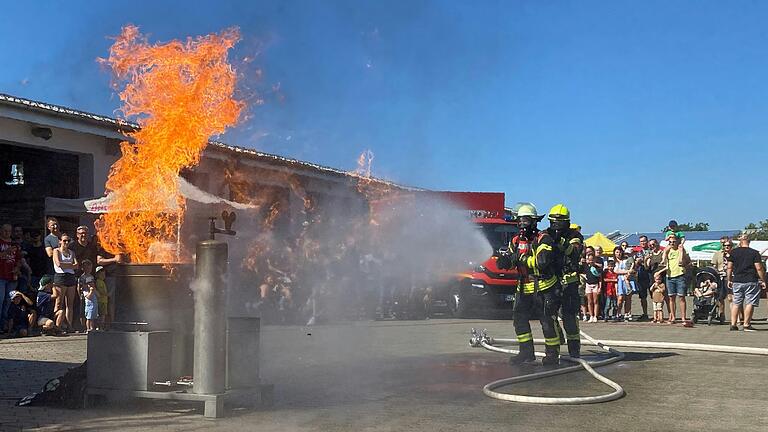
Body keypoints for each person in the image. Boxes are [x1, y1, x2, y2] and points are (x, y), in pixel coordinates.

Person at [497, 203, 562, 366]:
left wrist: (523, 259)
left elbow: (542, 262)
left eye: (525, 221)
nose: (522, 225)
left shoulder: (543, 238)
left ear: (534, 222)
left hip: (545, 288)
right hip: (523, 288)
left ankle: (552, 354)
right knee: (519, 320)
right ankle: (526, 352)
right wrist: (506, 262)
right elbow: (513, 259)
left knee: (547, 322)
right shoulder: (515, 240)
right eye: (519, 221)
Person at [545, 204, 583, 357]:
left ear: (567, 222)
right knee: (548, 316)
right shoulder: (545, 234)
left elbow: (574, 252)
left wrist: (560, 241)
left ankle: (574, 352)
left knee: (569, 317)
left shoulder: (575, 235)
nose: (556, 225)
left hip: (569, 283)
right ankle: (553, 352)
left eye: (559, 222)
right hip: (551, 282)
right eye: (553, 221)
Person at [726, 234, 767, 332]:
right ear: (749, 241)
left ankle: (733, 324)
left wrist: (729, 279)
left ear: (740, 241)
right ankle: (746, 324)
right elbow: (759, 268)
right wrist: (763, 279)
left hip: (737, 280)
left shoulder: (733, 253)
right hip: (751, 280)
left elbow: (729, 267)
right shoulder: (754, 253)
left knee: (736, 302)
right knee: (750, 302)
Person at [660, 234, 690, 324]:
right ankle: (673, 317)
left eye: (674, 242)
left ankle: (683, 317)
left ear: (677, 242)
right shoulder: (667, 250)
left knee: (681, 297)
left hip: (680, 275)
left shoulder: (681, 250)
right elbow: (663, 259)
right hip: (670, 276)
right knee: (671, 297)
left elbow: (688, 261)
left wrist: (683, 259)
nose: (672, 243)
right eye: (670, 242)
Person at [52, 233, 78, 332]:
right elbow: (58, 264)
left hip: (70, 277)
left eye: (68, 241)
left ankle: (69, 325)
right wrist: (70, 265)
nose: (66, 242)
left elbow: (76, 265)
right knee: (59, 303)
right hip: (60, 277)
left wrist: (67, 265)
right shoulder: (56, 251)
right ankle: (56, 325)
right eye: (64, 240)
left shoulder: (72, 252)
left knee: (69, 304)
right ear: (60, 241)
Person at [1, 224, 23, 334]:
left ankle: (5, 324)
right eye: (5, 231)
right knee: (0, 300)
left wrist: (17, 267)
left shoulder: (15, 244)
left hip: (12, 276)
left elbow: (19, 259)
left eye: (9, 231)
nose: (7, 233)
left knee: (9, 301)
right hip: (1, 276)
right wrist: (7, 251)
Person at [711, 237, 733, 322]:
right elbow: (714, 266)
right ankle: (721, 315)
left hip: (731, 277)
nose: (725, 246)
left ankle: (735, 317)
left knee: (731, 298)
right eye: (723, 244)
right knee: (720, 298)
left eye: (727, 245)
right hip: (720, 277)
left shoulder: (734, 254)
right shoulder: (718, 253)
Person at [613, 246, 636, 321]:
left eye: (620, 252)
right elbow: (616, 271)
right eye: (617, 252)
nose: (618, 253)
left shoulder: (626, 259)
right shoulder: (614, 262)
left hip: (628, 279)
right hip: (620, 280)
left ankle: (627, 313)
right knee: (620, 298)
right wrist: (627, 271)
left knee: (628, 297)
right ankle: (618, 313)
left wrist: (629, 272)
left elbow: (632, 268)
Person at [633, 236, 652, 321]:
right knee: (643, 296)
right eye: (641, 241)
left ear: (647, 241)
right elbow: (636, 265)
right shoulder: (638, 253)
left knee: (655, 295)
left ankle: (658, 313)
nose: (643, 243)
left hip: (651, 274)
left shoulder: (651, 251)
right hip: (641, 276)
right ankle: (645, 314)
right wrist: (637, 262)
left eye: (644, 241)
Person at [79, 260, 97, 333]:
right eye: (86, 267)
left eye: (90, 267)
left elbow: (93, 285)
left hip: (93, 295)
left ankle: (92, 327)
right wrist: (80, 294)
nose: (89, 269)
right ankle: (87, 328)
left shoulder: (91, 276)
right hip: (86, 294)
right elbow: (80, 286)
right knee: (88, 313)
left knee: (93, 313)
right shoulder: (82, 277)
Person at [583, 252, 601, 323]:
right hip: (588, 285)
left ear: (594, 259)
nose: (591, 261)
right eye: (589, 260)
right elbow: (581, 273)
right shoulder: (586, 267)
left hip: (595, 284)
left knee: (595, 301)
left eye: (592, 260)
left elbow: (600, 278)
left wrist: (599, 287)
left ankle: (595, 316)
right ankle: (591, 316)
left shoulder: (597, 267)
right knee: (589, 301)